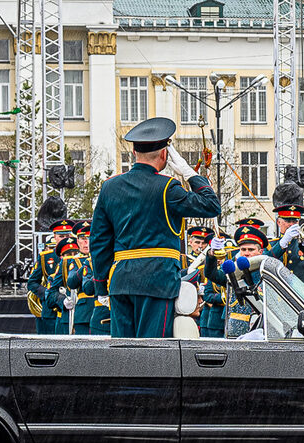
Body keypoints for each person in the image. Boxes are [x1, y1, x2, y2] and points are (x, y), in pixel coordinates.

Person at [88, 117, 221, 338]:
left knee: (123, 353)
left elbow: (99, 242)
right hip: (157, 282)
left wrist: (101, 286)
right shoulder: (168, 187)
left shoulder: (109, 187)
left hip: (121, 283)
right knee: (153, 354)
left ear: (133, 153)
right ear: (164, 155)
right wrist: (190, 173)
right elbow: (211, 205)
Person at [27, 221, 83, 334]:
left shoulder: (79, 255)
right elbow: (32, 283)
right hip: (51, 311)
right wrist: (47, 294)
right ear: (54, 237)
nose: (64, 239)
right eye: (61, 236)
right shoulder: (45, 257)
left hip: (75, 308)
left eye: (67, 236)